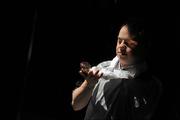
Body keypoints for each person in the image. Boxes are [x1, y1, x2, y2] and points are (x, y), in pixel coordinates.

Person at [71, 18, 162, 120]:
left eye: (128, 43)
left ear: (144, 47)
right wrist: (88, 85)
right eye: (119, 41)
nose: (121, 47)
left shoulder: (151, 85)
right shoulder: (102, 69)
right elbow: (76, 105)